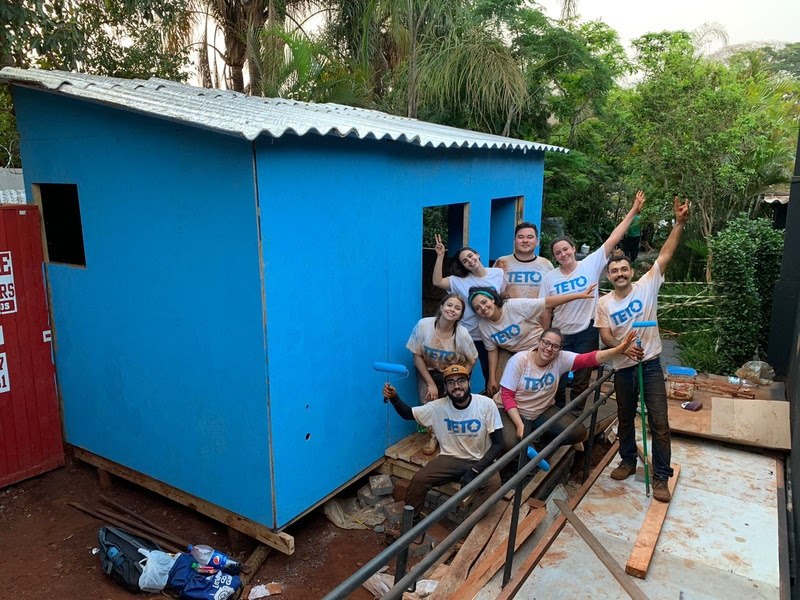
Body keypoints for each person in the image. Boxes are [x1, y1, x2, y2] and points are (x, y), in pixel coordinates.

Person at [595, 197, 690, 503]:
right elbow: (606, 336)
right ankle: (627, 460)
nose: (620, 273)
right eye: (615, 271)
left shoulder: (647, 285)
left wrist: (679, 224)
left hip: (649, 364)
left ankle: (661, 477)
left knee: (659, 422)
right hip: (623, 368)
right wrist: (621, 348)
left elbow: (665, 255)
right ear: (609, 276)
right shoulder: (605, 303)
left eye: (624, 269)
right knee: (624, 418)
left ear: (632, 272)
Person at [539, 191, 645, 410]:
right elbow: (546, 309)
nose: (563, 254)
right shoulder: (550, 277)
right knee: (556, 376)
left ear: (573, 249)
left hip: (586, 330)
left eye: (565, 249)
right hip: (560, 333)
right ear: (554, 257)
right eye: (558, 252)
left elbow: (614, 237)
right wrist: (544, 334)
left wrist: (633, 211)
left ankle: (576, 415)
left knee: (581, 378)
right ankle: (556, 415)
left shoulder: (590, 264)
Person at [382, 365, 504, 519]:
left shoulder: (486, 404)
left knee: (493, 484)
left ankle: (470, 523)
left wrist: (476, 470)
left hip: (481, 459)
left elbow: (499, 443)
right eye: (451, 382)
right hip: (451, 458)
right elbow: (408, 414)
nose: (457, 386)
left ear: (469, 383)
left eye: (461, 381)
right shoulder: (438, 407)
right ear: (445, 388)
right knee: (420, 479)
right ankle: (410, 524)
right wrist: (394, 397)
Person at [497, 328, 637, 452]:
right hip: (510, 410)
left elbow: (590, 358)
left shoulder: (561, 359)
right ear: (538, 342)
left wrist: (619, 350)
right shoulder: (519, 361)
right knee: (511, 443)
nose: (549, 348)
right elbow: (507, 396)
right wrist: (520, 426)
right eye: (546, 343)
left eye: (555, 346)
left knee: (577, 432)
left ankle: (538, 444)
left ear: (559, 349)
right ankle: (526, 446)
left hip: (539, 411)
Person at [468, 284, 598, 396]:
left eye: (484, 302)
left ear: (492, 299)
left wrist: (579, 295)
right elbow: (492, 351)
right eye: (477, 308)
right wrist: (491, 379)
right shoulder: (483, 325)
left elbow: (546, 302)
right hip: (517, 355)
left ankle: (557, 411)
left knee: (554, 385)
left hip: (539, 347)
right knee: (503, 384)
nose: (482, 308)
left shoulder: (514, 306)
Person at [406, 293, 478, 455]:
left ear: (460, 315)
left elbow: (472, 360)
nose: (452, 310)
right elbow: (417, 355)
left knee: (455, 404)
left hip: (453, 372)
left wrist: (458, 381)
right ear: (441, 307)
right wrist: (431, 383)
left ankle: (457, 440)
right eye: (449, 305)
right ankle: (433, 437)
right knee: (429, 403)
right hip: (429, 371)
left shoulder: (462, 334)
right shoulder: (424, 326)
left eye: (457, 308)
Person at [432, 234, 506, 382]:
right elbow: (437, 282)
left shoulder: (498, 273)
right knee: (462, 375)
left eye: (471, 256)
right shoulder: (460, 281)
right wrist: (440, 256)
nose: (470, 261)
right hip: (467, 334)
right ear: (463, 266)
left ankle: (490, 402)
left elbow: (502, 299)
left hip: (490, 333)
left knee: (491, 376)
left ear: (477, 255)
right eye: (465, 261)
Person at [493, 222, 554, 299]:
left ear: (537, 241)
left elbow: (553, 295)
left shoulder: (546, 264)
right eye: (521, 237)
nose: (525, 240)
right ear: (514, 241)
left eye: (530, 237)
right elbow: (492, 292)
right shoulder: (501, 262)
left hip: (537, 310)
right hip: (507, 310)